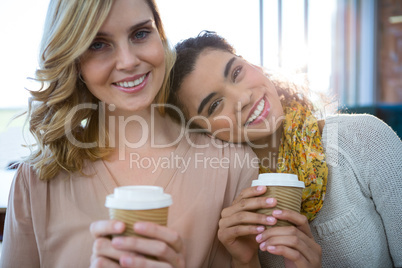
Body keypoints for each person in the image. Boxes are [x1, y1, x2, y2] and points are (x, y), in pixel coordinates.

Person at [0, 2, 260, 268]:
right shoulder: (36, 180)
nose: (128, 61)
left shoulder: (232, 166)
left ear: (160, 34)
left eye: (140, 34)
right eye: (98, 44)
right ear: (75, 59)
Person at [167, 31, 402, 268]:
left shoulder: (364, 138)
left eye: (236, 72)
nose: (243, 98)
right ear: (205, 133)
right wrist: (245, 260)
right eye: (215, 105)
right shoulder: (228, 204)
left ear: (253, 65)